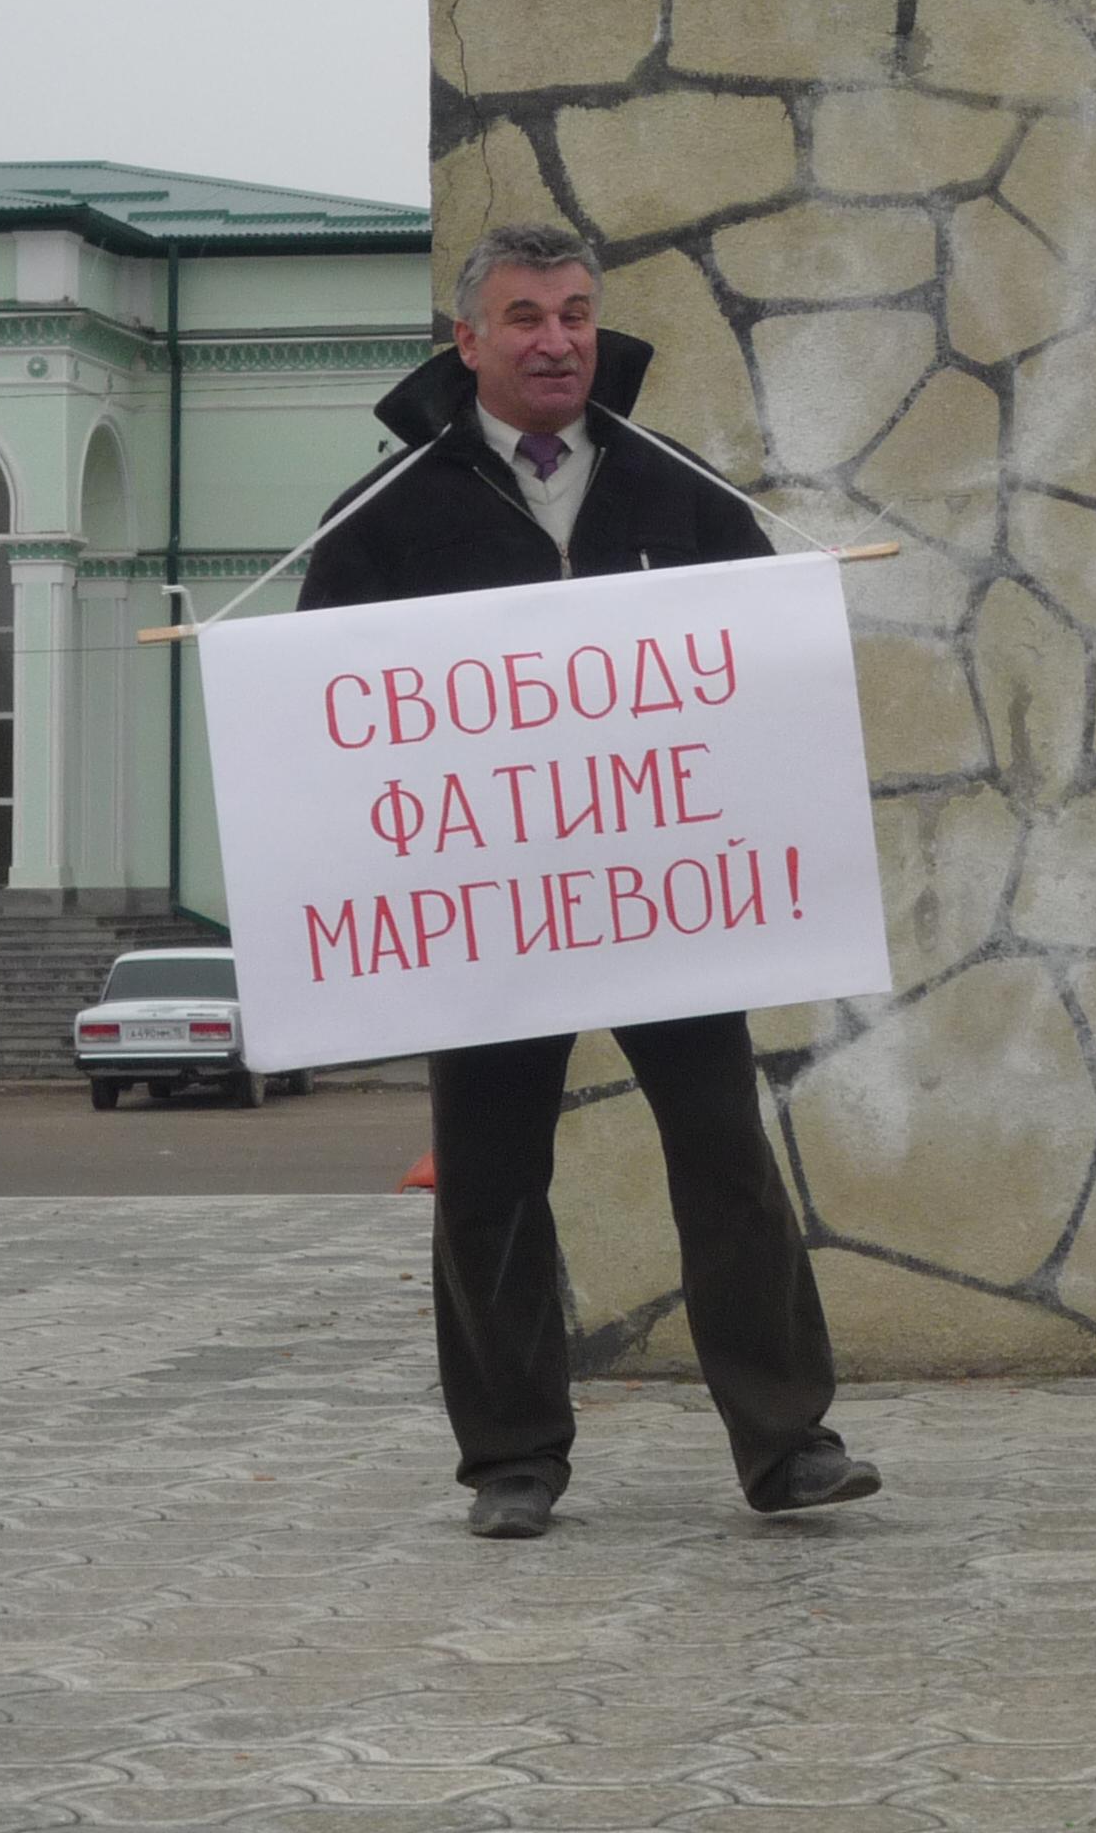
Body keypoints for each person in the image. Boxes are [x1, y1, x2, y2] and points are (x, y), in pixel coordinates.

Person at [298, 221, 876, 1539]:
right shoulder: (384, 517)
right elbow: (324, 713)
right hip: (486, 909)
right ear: (469, 341)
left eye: (573, 313)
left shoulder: (682, 495)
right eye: (525, 316)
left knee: (726, 1155)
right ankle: (512, 1459)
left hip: (668, 897)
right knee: (490, 1176)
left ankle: (789, 1445)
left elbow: (760, 678)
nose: (556, 340)